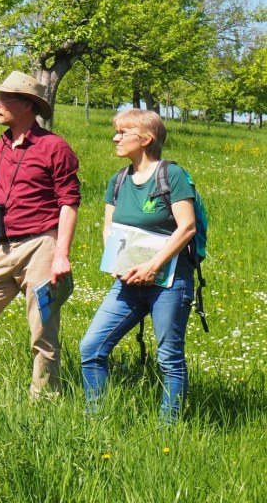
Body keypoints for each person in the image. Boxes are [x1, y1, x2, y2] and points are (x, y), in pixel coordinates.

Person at [0, 71, 80, 397]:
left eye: (3, 99)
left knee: (43, 333)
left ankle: (45, 403)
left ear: (26, 105)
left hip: (40, 249)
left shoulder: (55, 148)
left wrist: (61, 254)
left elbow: (69, 203)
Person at [79, 110, 197, 422]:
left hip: (169, 283)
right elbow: (109, 228)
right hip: (127, 282)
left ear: (145, 139)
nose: (115, 138)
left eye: (122, 132)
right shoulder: (118, 180)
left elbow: (187, 228)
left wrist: (153, 266)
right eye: (115, 132)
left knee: (169, 358)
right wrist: (117, 263)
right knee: (91, 348)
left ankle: (168, 429)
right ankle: (95, 419)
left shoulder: (171, 175)